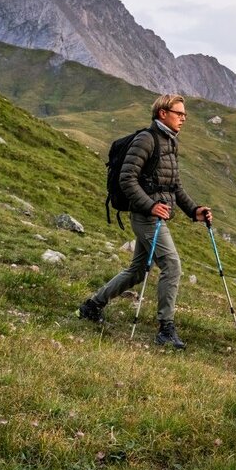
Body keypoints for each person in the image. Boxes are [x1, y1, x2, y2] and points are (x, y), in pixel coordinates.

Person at [76, 95, 211, 348]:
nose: (183, 118)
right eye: (178, 113)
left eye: (185, 115)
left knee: (137, 270)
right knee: (172, 265)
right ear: (162, 113)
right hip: (145, 218)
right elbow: (127, 179)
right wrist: (150, 205)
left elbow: (174, 186)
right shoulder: (146, 140)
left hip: (156, 217)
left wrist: (194, 211)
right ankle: (166, 330)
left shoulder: (170, 141)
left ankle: (92, 306)